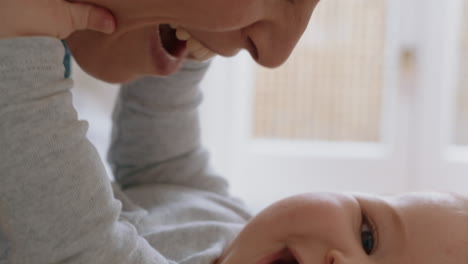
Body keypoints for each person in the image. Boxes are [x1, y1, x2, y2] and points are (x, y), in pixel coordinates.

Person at [1, 1, 468, 264]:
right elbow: (162, 161)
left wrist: (21, 42)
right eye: (367, 236)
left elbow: (75, 245)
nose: (340, 263)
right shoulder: (231, 219)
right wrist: (191, 40)